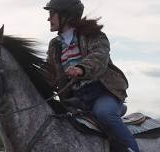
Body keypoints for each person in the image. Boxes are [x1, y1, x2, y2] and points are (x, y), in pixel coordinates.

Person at [43, 0, 139, 152]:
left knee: (104, 113)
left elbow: (99, 56)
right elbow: (49, 72)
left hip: (101, 93)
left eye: (51, 14)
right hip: (75, 99)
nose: (49, 18)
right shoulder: (54, 45)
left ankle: (132, 149)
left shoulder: (94, 35)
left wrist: (81, 68)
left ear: (66, 16)